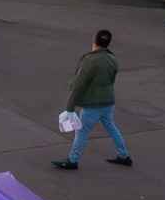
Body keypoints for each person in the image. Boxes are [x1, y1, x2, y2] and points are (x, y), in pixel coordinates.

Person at [53, 28, 132, 169]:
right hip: (108, 101)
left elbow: (78, 85)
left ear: (94, 41)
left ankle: (72, 160)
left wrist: (70, 108)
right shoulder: (112, 59)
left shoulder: (90, 60)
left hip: (92, 105)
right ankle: (124, 155)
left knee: (82, 132)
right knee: (111, 127)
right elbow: (112, 80)